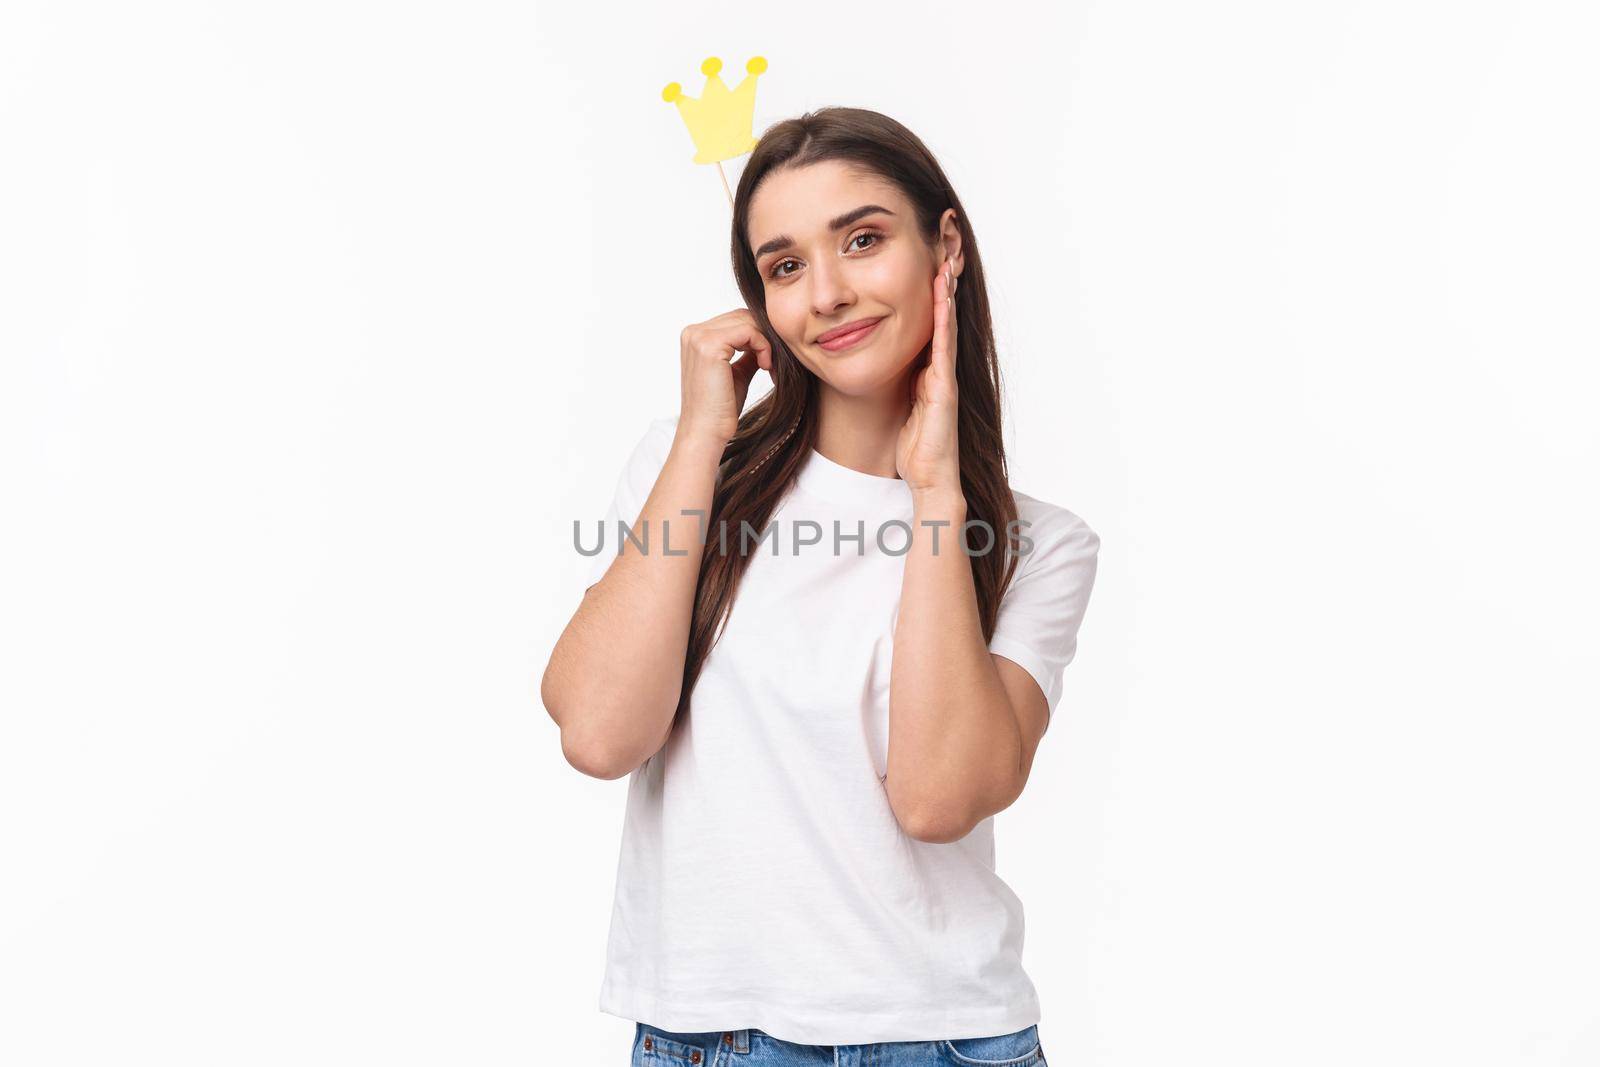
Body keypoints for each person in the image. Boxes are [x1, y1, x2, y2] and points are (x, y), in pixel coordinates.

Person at [542, 107, 1100, 1067]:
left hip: (945, 1041)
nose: (829, 293)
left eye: (864, 240)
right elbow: (597, 733)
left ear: (945, 248)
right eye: (786, 265)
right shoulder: (689, 474)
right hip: (704, 1037)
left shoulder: (1039, 544)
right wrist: (700, 437)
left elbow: (937, 798)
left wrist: (934, 492)